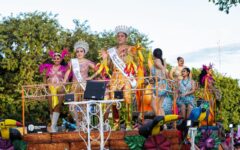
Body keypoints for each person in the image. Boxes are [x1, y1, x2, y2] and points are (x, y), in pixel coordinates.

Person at [101, 25, 136, 131]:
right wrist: (105, 59)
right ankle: (116, 124)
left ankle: (128, 123)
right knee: (113, 100)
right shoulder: (112, 51)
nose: (120, 38)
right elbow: (109, 66)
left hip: (126, 77)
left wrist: (127, 55)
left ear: (126, 37)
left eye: (122, 36)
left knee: (127, 99)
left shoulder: (131, 48)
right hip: (115, 77)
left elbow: (134, 63)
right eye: (118, 36)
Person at [63, 40, 96, 128]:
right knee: (71, 105)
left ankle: (84, 124)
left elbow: (98, 70)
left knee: (85, 105)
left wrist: (91, 77)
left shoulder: (88, 62)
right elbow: (68, 71)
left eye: (81, 51)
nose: (79, 53)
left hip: (84, 85)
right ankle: (78, 123)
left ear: (84, 52)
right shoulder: (72, 61)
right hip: (74, 85)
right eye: (77, 51)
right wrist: (65, 80)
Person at [39, 49, 68, 132]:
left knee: (57, 106)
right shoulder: (48, 67)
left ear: (61, 59)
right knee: (51, 107)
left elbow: (67, 78)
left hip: (60, 88)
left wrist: (64, 84)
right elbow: (45, 77)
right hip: (50, 88)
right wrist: (45, 85)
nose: (56, 60)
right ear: (53, 59)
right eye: (55, 58)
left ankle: (53, 126)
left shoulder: (64, 68)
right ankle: (54, 126)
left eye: (58, 58)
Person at [150, 48, 171, 116]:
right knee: (159, 105)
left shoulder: (156, 61)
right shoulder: (160, 61)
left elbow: (163, 70)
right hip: (163, 85)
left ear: (154, 54)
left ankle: (159, 120)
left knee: (153, 104)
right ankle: (164, 124)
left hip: (159, 85)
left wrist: (164, 65)